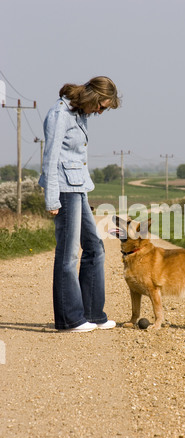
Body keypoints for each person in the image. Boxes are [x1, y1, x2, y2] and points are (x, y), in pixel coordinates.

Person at [39, 76, 120, 332]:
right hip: (64, 189)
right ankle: (69, 319)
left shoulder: (78, 113)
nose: (100, 111)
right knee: (68, 254)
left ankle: (93, 314)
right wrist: (51, 198)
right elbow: (50, 158)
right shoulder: (59, 114)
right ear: (93, 97)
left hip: (78, 187)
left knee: (95, 247)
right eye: (102, 106)